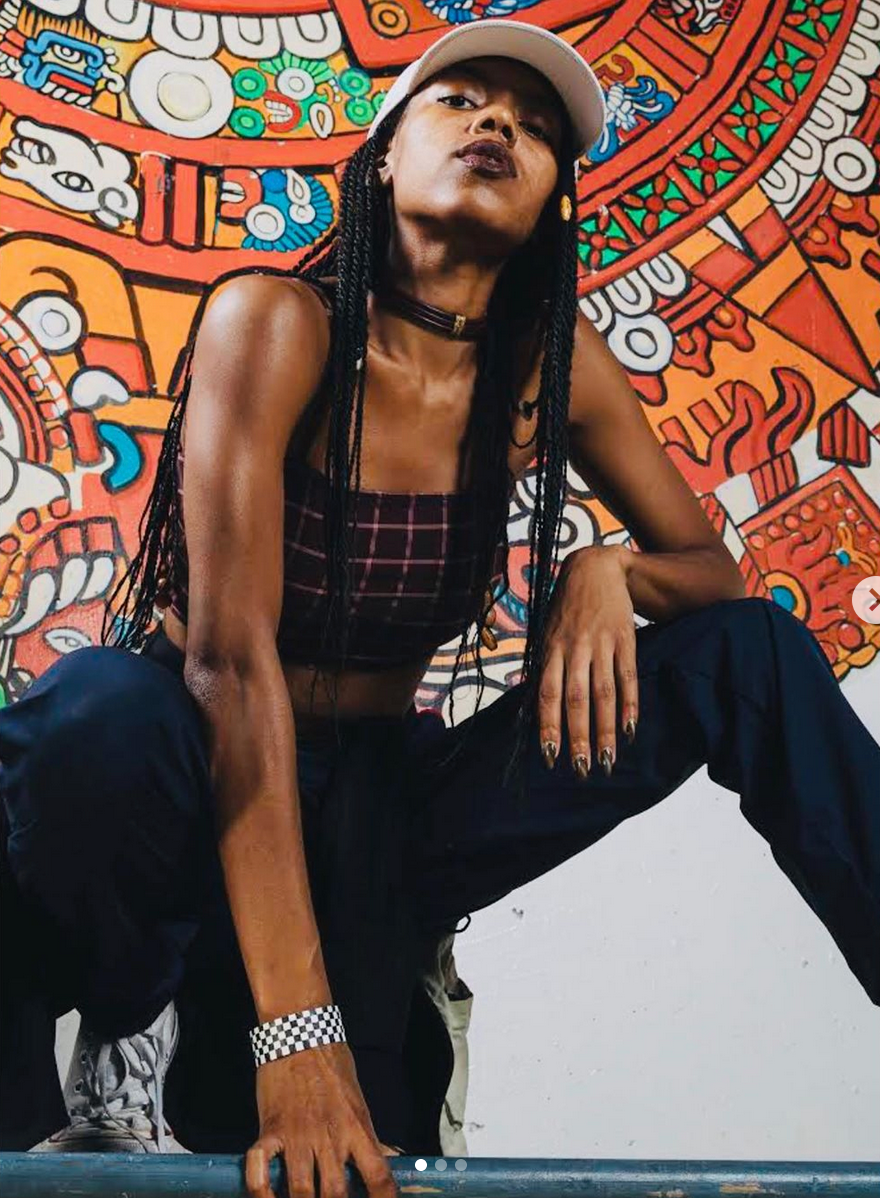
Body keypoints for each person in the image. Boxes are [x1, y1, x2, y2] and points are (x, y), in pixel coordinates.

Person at [1, 14, 879, 1197]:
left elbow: (714, 582)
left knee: (750, 652)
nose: (495, 125)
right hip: (190, 765)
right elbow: (227, 663)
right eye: (460, 102)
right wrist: (296, 1034)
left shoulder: (546, 368)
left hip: (378, 798)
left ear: (552, 197)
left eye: (531, 125)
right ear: (381, 161)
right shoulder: (279, 321)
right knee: (98, 714)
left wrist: (607, 570)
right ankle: (122, 1016)